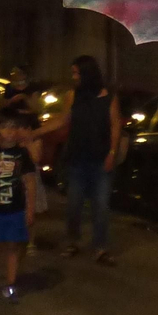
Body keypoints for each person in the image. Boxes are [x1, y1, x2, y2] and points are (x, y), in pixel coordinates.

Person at [55, 55, 122, 266]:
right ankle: (72, 241)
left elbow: (115, 126)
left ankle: (100, 247)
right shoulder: (72, 96)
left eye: (76, 72)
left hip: (100, 160)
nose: (73, 77)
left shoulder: (109, 97)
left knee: (101, 205)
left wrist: (112, 153)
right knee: (74, 203)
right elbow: (62, 121)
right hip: (77, 158)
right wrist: (35, 132)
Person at [0, 111, 36, 301]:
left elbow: (30, 181)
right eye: (5, 127)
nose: (9, 132)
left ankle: (11, 285)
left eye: (13, 127)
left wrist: (30, 208)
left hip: (15, 208)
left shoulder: (23, 153)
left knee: (12, 245)